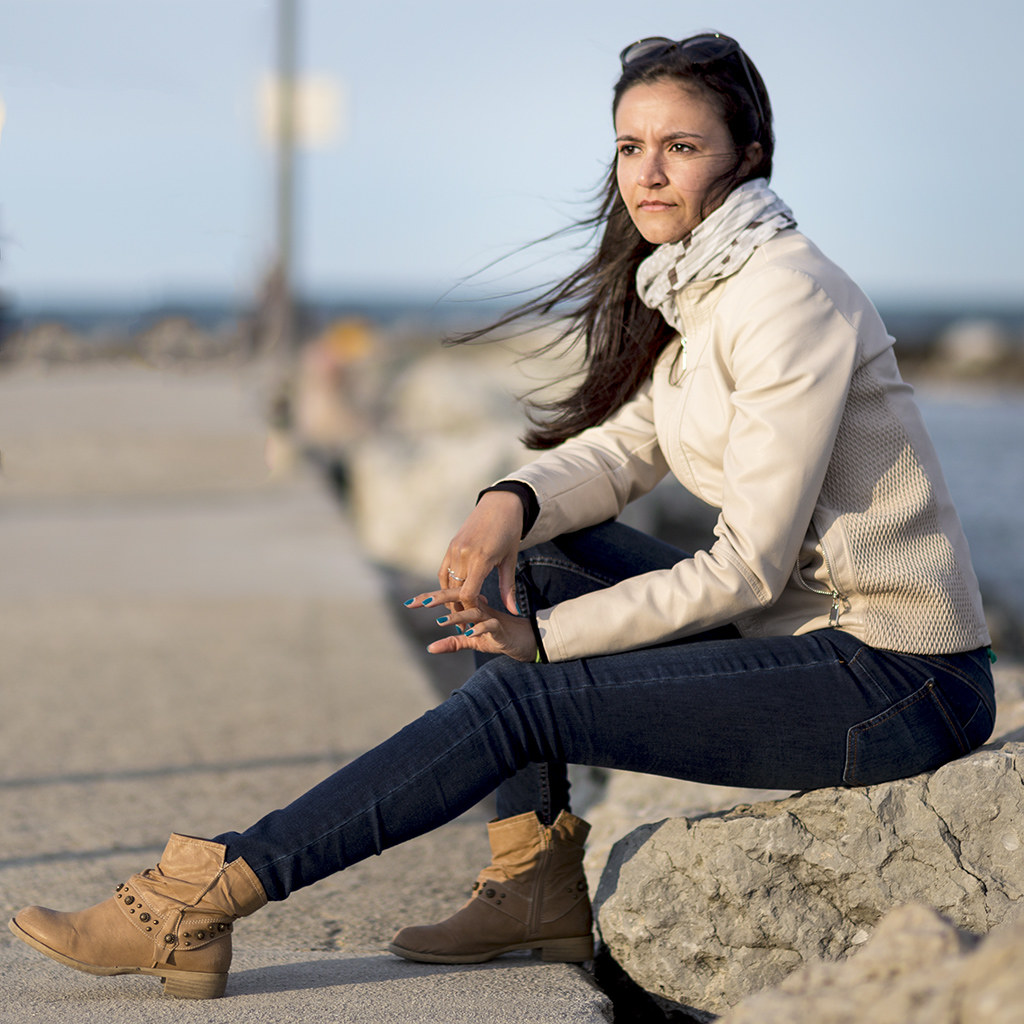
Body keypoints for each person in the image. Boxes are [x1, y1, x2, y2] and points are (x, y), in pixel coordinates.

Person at [9, 31, 995, 1001]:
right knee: (531, 556)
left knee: (520, 694)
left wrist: (544, 640)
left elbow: (745, 570)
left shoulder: (788, 298)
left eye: (681, 146)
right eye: (630, 146)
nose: (647, 173)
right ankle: (532, 884)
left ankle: (206, 892)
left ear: (748, 156)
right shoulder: (704, 282)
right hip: (801, 641)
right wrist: (507, 505)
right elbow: (626, 447)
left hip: (895, 676)